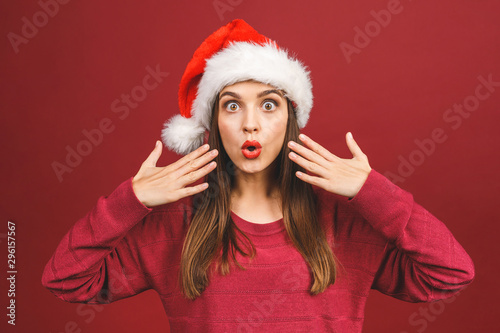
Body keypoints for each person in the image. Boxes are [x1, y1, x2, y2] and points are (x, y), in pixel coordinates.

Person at [41, 19, 475, 332]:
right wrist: (129, 201)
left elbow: (451, 272)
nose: (250, 123)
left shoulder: (345, 219)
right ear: (213, 123)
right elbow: (66, 280)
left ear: (290, 118)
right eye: (232, 105)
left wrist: (371, 190)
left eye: (269, 104)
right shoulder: (175, 222)